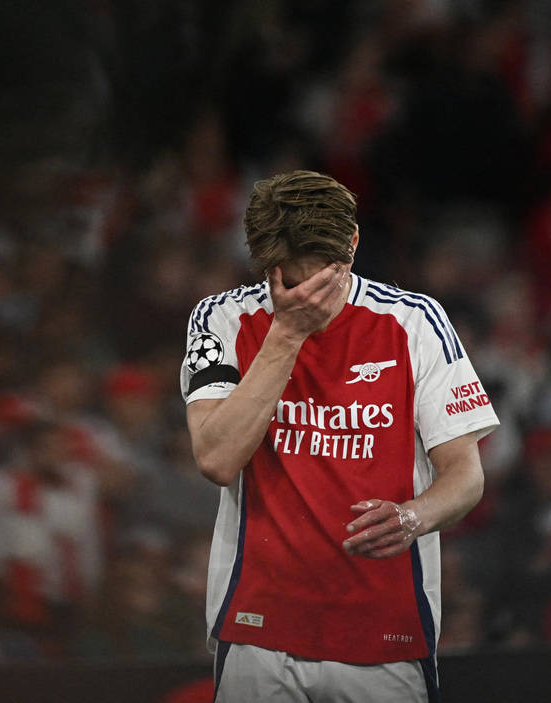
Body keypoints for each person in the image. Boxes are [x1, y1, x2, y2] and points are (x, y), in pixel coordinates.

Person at [180, 170, 499, 702]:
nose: (308, 297)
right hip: (259, 629)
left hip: (385, 633)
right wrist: (287, 334)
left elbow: (466, 475)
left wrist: (414, 516)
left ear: (352, 244)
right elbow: (216, 459)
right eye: (291, 281)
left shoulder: (416, 322)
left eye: (322, 280)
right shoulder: (223, 319)